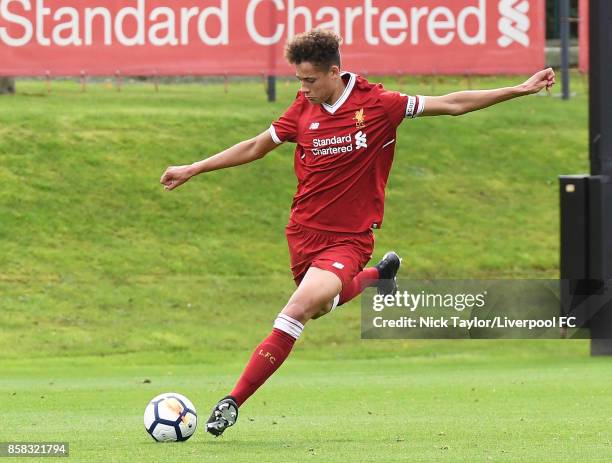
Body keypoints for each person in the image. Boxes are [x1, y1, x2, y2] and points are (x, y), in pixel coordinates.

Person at [160, 29, 556, 437]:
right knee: (319, 305)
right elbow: (256, 146)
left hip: (349, 239)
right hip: (302, 233)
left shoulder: (380, 104)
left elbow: (453, 104)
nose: (303, 88)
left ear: (335, 72)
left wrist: (520, 89)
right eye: (298, 80)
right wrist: (194, 168)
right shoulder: (303, 107)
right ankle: (377, 278)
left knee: (297, 309)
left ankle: (232, 402)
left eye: (310, 80)